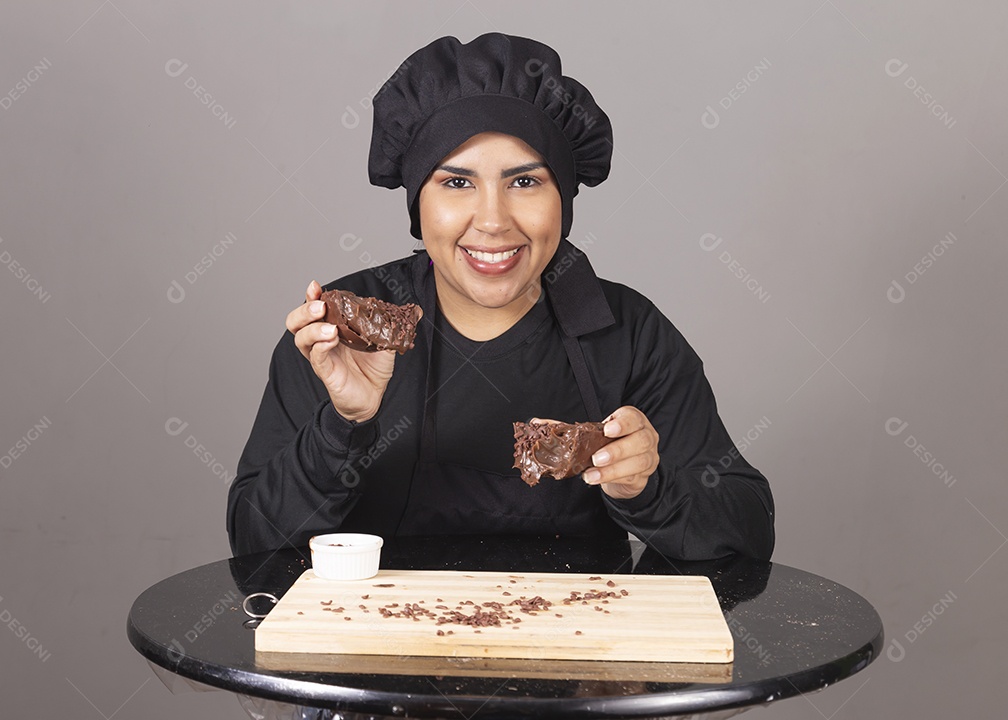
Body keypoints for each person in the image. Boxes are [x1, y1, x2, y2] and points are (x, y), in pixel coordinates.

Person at [227, 32, 774, 560]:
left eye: (525, 182)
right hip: (378, 646)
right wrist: (342, 422)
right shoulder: (340, 336)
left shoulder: (629, 334)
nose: (491, 221)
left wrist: (647, 489)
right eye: (457, 183)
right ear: (419, 204)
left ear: (565, 199)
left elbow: (747, 530)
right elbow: (254, 539)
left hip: (577, 641)